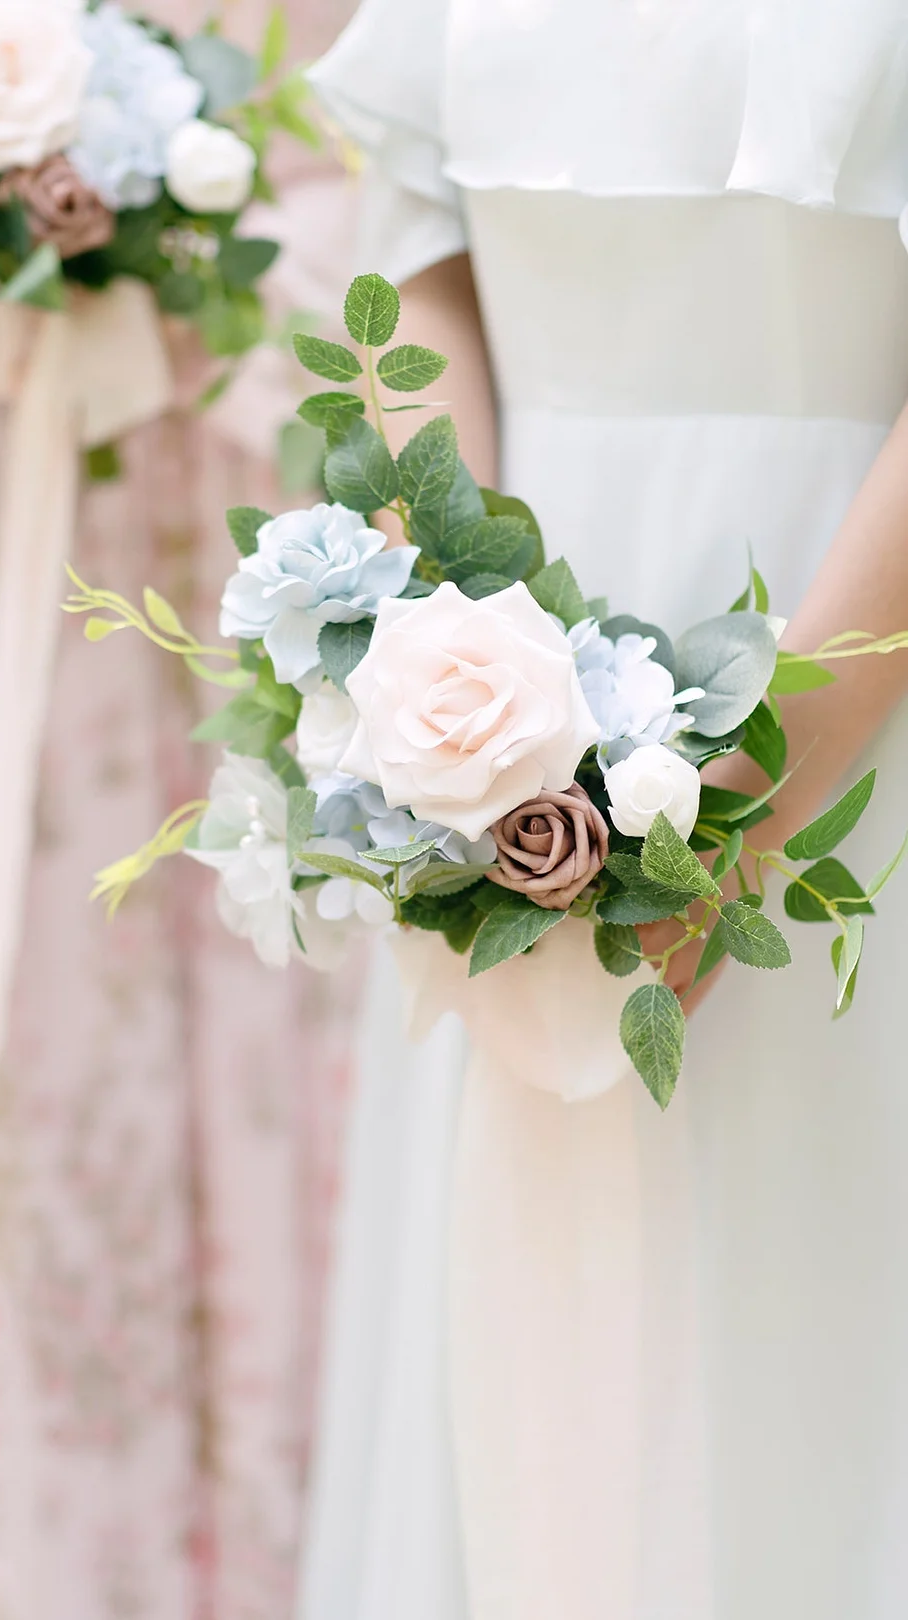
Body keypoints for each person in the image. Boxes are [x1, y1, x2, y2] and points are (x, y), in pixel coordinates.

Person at [298, 3, 908, 1618]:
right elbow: (416, 280)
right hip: (515, 690)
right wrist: (467, 683)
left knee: (822, 1250)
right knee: (533, 1283)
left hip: (856, 665)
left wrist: (748, 797)